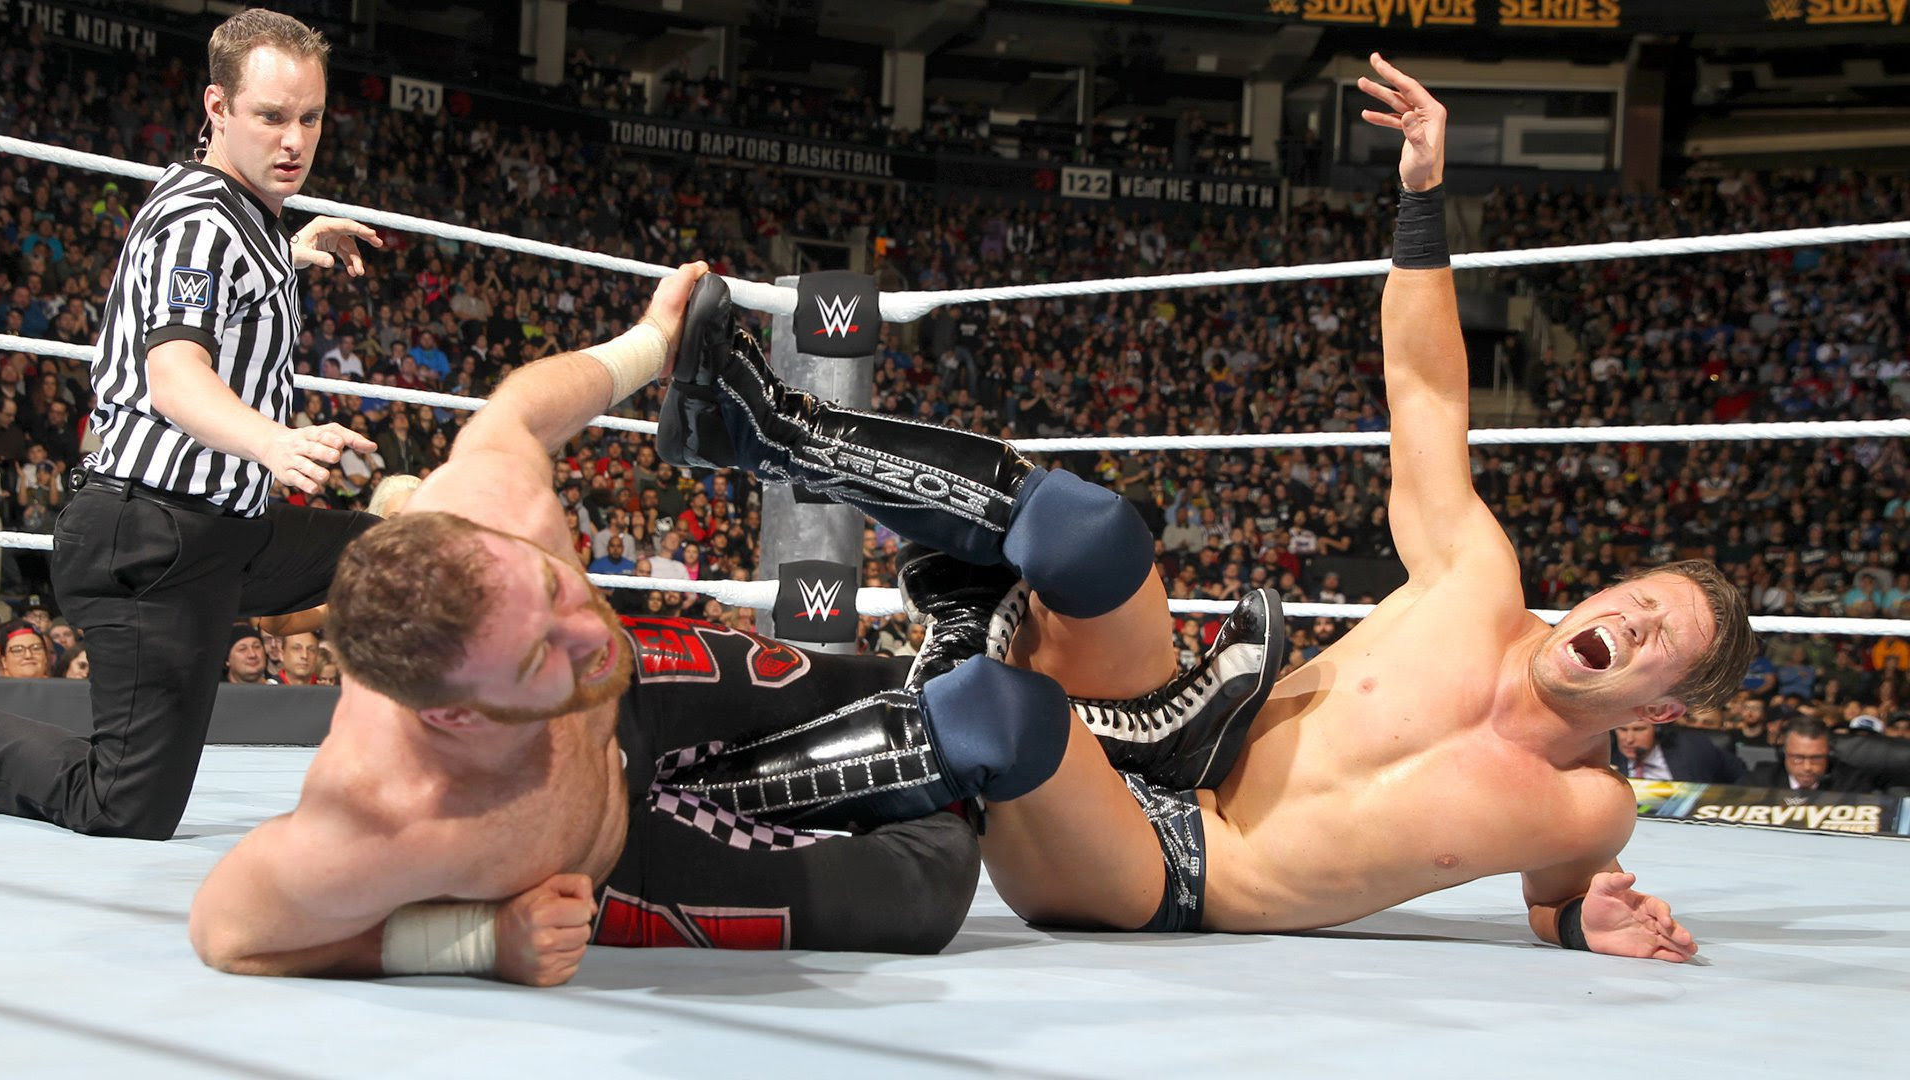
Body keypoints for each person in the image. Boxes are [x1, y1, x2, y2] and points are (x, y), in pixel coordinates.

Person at [655, 57, 1754, 964]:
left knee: (999, 713)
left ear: (1665, 702)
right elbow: (1427, 394)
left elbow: (1557, 895)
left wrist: (1585, 921)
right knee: (1094, 536)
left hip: (1171, 865)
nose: (1632, 619)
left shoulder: (1588, 808)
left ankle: (676, 811)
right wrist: (1422, 198)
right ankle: (756, 429)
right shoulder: (1476, 582)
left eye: (1662, 636)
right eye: (1641, 596)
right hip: (1181, 724)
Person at [191, 263, 1099, 984]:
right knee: (923, 893)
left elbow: (517, 410)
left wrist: (649, 343)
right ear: (455, 716)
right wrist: (477, 942)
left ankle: (909, 698)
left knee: (881, 690)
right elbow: (229, 933)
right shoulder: (387, 814)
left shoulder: (495, 507)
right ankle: (852, 769)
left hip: (645, 696)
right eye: (541, 653)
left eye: (558, 590)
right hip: (610, 858)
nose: (587, 631)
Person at [0, 9, 381, 840]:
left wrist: (290, 253)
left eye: (310, 117)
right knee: (123, 807)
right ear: (217, 106)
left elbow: (223, 285)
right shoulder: (201, 223)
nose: (295, 141)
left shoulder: (245, 216)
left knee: (404, 555)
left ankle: (424, 772)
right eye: (271, 116)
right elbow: (174, 375)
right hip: (151, 541)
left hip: (228, 533)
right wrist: (276, 441)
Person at [1743, 717, 1881, 794]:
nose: (1807, 767)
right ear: (1783, 753)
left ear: (1829, 754)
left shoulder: (1852, 783)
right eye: (1798, 758)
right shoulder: (1759, 781)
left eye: (1816, 758)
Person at [1609, 719, 1745, 784]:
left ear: (1657, 730)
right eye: (1622, 730)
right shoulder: (1608, 755)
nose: (1629, 739)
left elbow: (1741, 775)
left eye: (1639, 730)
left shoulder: (1693, 747)